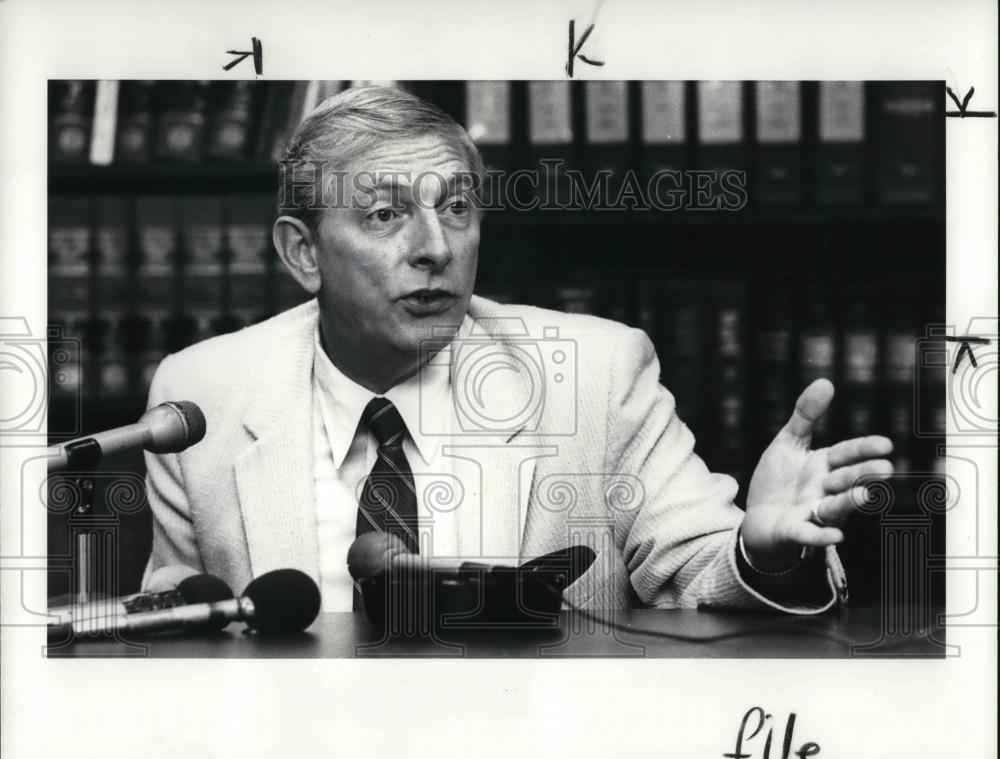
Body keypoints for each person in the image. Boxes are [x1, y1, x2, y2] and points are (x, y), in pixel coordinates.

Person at [142, 86, 894, 613]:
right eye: (385, 214)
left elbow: (695, 567)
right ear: (303, 252)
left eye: (457, 209)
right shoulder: (203, 395)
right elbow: (186, 620)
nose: (434, 247)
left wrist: (761, 552)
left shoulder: (596, 373)